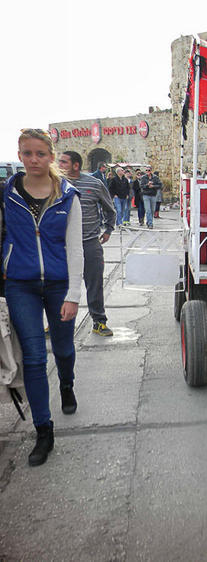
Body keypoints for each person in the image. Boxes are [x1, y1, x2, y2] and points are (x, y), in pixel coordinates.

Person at [1, 129, 83, 466]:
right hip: (20, 283)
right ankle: (43, 430)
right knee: (34, 357)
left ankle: (66, 382)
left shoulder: (68, 196)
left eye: (40, 154)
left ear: (51, 156)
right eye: (27, 153)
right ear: (19, 156)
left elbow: (75, 248)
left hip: (59, 283)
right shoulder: (6, 194)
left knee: (62, 348)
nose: (34, 160)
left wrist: (74, 294)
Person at [57, 151, 116, 338]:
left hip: (89, 243)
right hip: (61, 245)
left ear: (76, 165)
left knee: (95, 283)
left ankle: (99, 321)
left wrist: (108, 230)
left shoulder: (95, 184)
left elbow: (110, 209)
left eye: (64, 162)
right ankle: (57, 321)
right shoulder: (55, 184)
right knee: (59, 284)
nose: (60, 165)